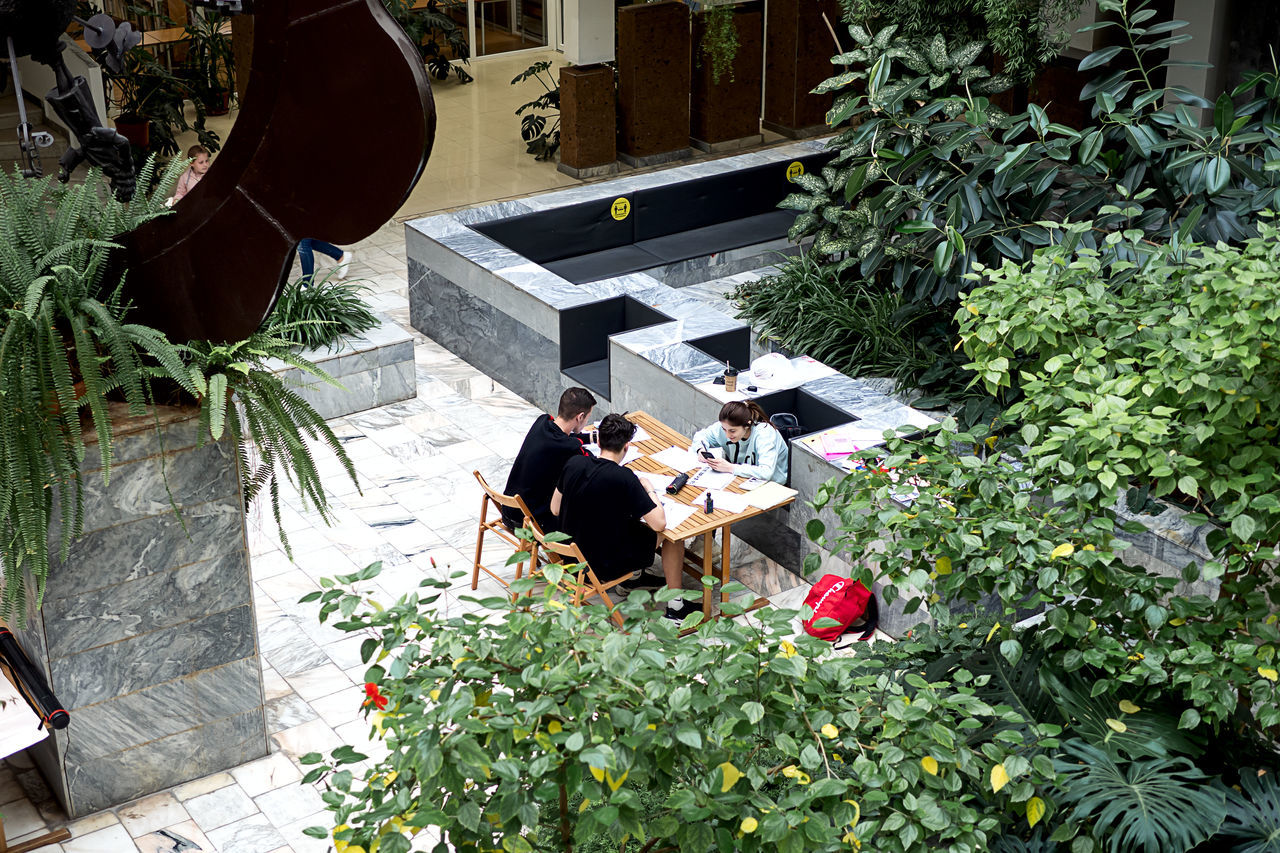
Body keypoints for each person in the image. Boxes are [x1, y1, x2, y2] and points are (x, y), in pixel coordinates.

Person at [658, 400, 789, 621]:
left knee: (711, 502)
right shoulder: (726, 429)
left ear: (747, 425)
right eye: (725, 430)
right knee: (699, 495)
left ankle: (708, 544)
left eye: (733, 431)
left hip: (766, 486)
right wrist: (700, 450)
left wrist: (731, 468)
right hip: (738, 479)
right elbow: (702, 436)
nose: (727, 435)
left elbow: (767, 472)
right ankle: (705, 541)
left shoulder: (764, 434)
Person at [550, 413, 666, 586]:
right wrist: (649, 489)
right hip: (603, 567)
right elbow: (659, 523)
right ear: (626, 446)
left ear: (598, 442)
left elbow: (555, 508)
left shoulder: (574, 463)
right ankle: (633, 580)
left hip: (569, 556)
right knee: (666, 532)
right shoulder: (624, 477)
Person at [501, 387, 596, 533]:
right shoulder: (569, 448)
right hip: (530, 520)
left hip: (509, 507)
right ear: (580, 417)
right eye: (588, 418)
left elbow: (561, 437)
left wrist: (590, 438)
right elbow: (593, 463)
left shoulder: (542, 422)